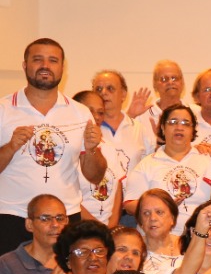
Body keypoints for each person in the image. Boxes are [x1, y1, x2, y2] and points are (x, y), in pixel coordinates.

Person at [0, 38, 105, 255]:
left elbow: (94, 176)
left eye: (53, 60)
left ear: (62, 68)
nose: (45, 66)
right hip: (13, 216)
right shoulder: (3, 109)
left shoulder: (80, 112)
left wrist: (92, 149)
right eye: (37, 59)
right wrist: (10, 147)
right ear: (25, 65)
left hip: (65, 217)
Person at [124, 103, 211, 232]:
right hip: (157, 239)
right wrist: (162, 206)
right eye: (173, 122)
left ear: (193, 130)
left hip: (199, 237)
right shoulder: (147, 164)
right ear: (163, 128)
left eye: (185, 123)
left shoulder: (207, 160)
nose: (179, 127)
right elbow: (130, 205)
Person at [72, 90, 125, 229]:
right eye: (90, 111)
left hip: (107, 229)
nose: (96, 116)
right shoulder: (68, 148)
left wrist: (111, 225)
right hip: (77, 227)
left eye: (100, 112)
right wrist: (97, 227)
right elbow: (66, 194)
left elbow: (117, 188)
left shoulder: (110, 148)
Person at [92, 69, 152, 175]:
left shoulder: (139, 129)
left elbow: (151, 167)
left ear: (123, 94)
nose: (103, 93)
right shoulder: (88, 128)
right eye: (99, 89)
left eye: (110, 88)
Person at [134, 188, 183, 274]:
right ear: (140, 221)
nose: (152, 218)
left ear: (172, 218)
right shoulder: (134, 249)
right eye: (146, 213)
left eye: (159, 212)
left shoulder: (186, 245)